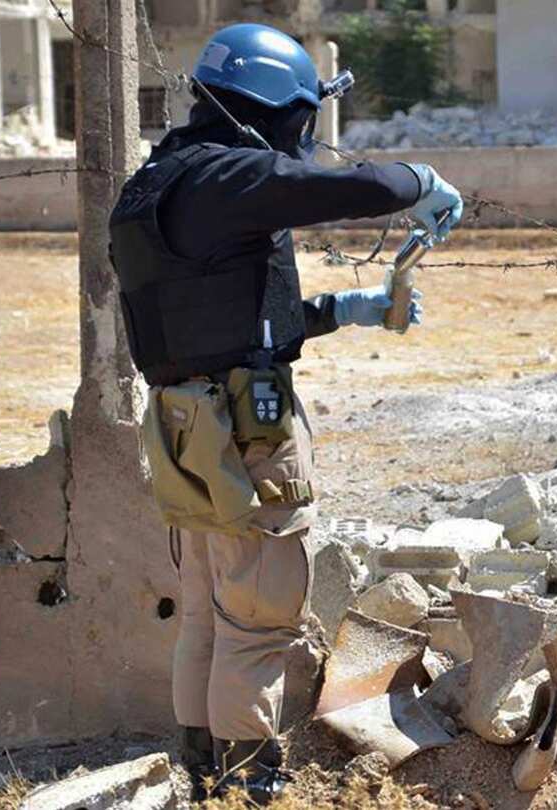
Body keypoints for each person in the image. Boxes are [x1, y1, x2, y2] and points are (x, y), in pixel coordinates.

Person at [108, 22, 463, 804]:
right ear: (275, 109)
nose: (303, 137)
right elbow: (327, 188)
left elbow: (228, 324)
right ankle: (247, 789)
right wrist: (417, 180)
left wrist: (350, 309)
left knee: (207, 615)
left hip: (186, 432)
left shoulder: (161, 183)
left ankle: (204, 777)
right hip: (246, 439)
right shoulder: (223, 179)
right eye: (302, 118)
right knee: (258, 621)